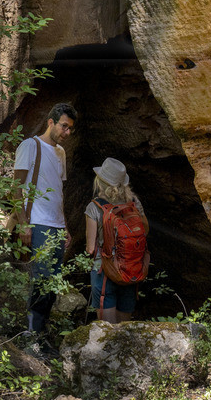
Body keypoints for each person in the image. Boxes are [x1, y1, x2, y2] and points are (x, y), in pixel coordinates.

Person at [12, 102, 79, 339]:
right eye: (63, 126)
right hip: (38, 224)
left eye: (70, 129)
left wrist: (66, 228)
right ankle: (31, 337)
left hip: (57, 227)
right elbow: (16, 188)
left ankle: (40, 335)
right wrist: (23, 223)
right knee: (40, 282)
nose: (66, 133)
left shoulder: (60, 153)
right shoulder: (30, 146)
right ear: (50, 122)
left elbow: (57, 194)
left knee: (52, 285)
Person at [83, 157, 149, 323]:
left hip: (105, 271)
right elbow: (145, 231)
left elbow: (90, 248)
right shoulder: (134, 203)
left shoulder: (95, 207)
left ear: (101, 180)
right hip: (131, 269)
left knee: (107, 331)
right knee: (124, 330)